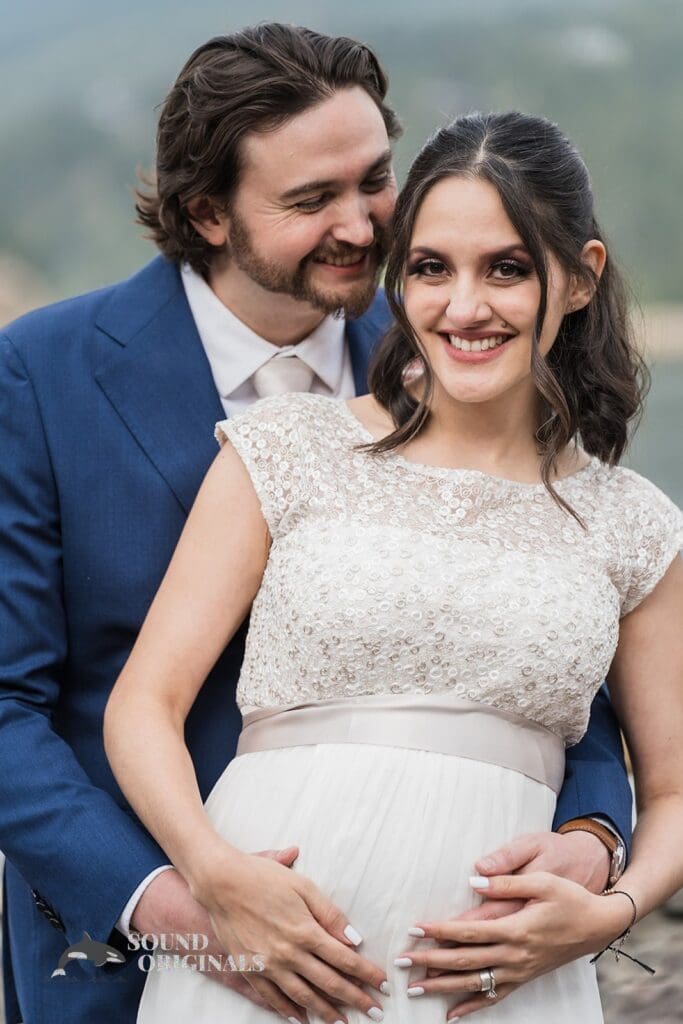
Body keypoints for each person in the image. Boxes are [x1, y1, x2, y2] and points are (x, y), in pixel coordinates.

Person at [0, 23, 631, 1024]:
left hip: (451, 964)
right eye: (310, 201)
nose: (363, 224)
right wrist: (185, 909)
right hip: (128, 954)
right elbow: (6, 709)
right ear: (209, 213)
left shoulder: (458, 346)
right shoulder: (42, 371)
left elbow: (560, 641)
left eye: (373, 180)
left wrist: (593, 834)